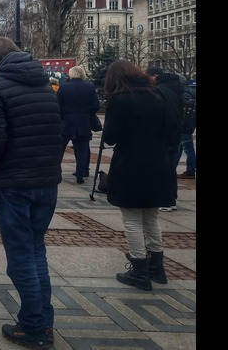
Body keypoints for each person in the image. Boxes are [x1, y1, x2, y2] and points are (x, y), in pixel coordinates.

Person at [0, 37, 63, 348]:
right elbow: (58, 134)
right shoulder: (46, 88)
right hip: (47, 182)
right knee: (37, 252)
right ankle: (44, 323)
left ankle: (33, 327)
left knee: (21, 258)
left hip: (14, 185)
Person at [102, 60, 179, 291]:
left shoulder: (120, 99)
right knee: (152, 217)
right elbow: (172, 134)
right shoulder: (159, 95)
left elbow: (110, 137)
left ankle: (139, 270)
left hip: (130, 165)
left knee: (132, 219)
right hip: (158, 163)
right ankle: (157, 267)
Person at [144, 65, 187, 212]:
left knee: (165, 168)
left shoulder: (164, 90)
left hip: (166, 136)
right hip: (174, 134)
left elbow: (168, 115)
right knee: (169, 168)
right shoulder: (173, 87)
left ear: (155, 76)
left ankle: (167, 200)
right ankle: (169, 198)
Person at [57, 65, 101, 184]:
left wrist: (62, 117)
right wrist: (88, 114)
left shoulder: (63, 87)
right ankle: (80, 174)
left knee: (60, 148)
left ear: (70, 74)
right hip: (83, 121)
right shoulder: (89, 88)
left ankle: (56, 172)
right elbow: (96, 106)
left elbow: (58, 105)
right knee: (82, 149)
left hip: (66, 122)